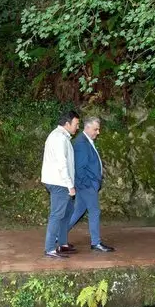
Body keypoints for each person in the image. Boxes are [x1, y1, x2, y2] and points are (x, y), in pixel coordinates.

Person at [68, 117, 114, 252]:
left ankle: (58, 236)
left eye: (98, 129)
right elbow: (80, 168)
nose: (98, 132)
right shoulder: (82, 143)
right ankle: (96, 243)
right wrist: (90, 184)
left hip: (86, 185)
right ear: (87, 128)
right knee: (94, 211)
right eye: (95, 129)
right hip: (87, 185)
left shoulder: (86, 141)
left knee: (77, 212)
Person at [40, 109, 79, 259]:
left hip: (59, 181)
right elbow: (62, 164)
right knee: (57, 215)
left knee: (67, 212)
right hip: (59, 182)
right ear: (67, 123)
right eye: (76, 124)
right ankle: (50, 248)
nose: (77, 127)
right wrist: (70, 185)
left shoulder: (62, 137)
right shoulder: (59, 138)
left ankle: (62, 244)